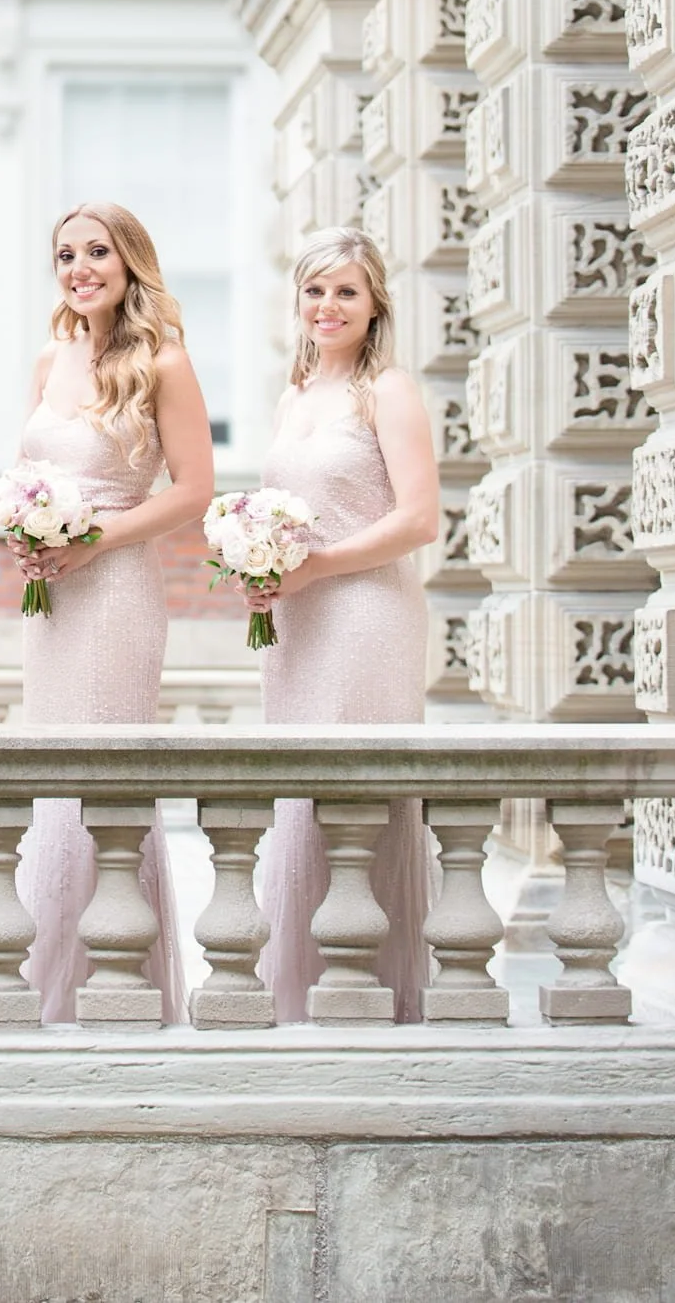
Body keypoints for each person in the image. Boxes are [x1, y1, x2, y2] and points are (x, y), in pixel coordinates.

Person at [9, 202, 215, 1022]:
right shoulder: (46, 360)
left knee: (103, 772)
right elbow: (24, 475)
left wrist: (97, 541)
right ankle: (48, 980)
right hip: (50, 595)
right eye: (65, 254)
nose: (79, 267)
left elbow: (195, 493)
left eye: (96, 251)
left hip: (115, 588)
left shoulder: (164, 362)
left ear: (130, 262)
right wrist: (27, 530)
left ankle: (115, 983)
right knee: (49, 771)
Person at [253, 227, 440, 1023]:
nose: (326, 306)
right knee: (299, 793)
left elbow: (419, 519)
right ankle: (303, 988)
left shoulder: (387, 391)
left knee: (354, 795)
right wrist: (258, 566)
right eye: (314, 290)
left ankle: (377, 988)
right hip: (295, 620)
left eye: (344, 292)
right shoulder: (293, 395)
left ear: (373, 306)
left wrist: (318, 567)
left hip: (364, 614)